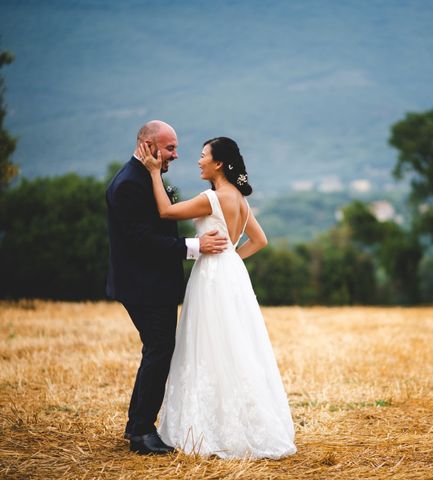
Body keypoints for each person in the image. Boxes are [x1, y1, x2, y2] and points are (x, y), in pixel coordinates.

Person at [137, 136, 296, 459]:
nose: (198, 161)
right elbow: (260, 240)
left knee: (207, 346)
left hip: (210, 277)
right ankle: (244, 426)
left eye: (203, 155)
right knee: (234, 345)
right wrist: (232, 259)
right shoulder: (240, 198)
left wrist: (154, 173)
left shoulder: (212, 198)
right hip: (232, 276)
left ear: (218, 163)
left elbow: (166, 212)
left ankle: (211, 429)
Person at [106, 120, 228, 455]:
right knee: (159, 350)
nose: (175, 154)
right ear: (147, 145)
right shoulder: (129, 184)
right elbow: (142, 240)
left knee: (159, 350)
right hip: (142, 285)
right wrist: (195, 246)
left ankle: (140, 426)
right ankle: (141, 431)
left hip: (153, 284)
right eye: (170, 147)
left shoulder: (147, 177)